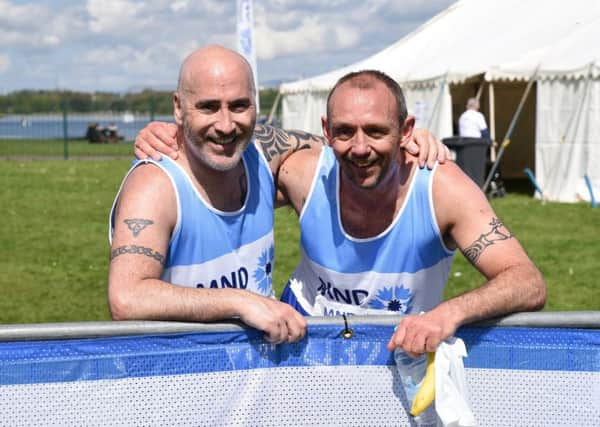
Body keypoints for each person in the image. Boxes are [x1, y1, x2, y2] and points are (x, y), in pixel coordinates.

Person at [137, 68, 545, 359]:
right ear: (326, 132)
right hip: (299, 348)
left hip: (398, 352)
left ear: (406, 131)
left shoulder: (441, 187)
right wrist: (176, 132)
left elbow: (526, 282)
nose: (360, 147)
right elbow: (228, 141)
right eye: (345, 131)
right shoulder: (304, 174)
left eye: (377, 131)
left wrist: (448, 314)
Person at [109, 46, 446, 346]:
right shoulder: (156, 185)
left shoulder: (259, 155)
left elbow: (343, 142)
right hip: (177, 386)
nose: (226, 125)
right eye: (209, 108)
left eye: (239, 106)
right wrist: (239, 302)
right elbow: (127, 297)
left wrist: (403, 139)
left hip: (255, 384)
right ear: (179, 109)